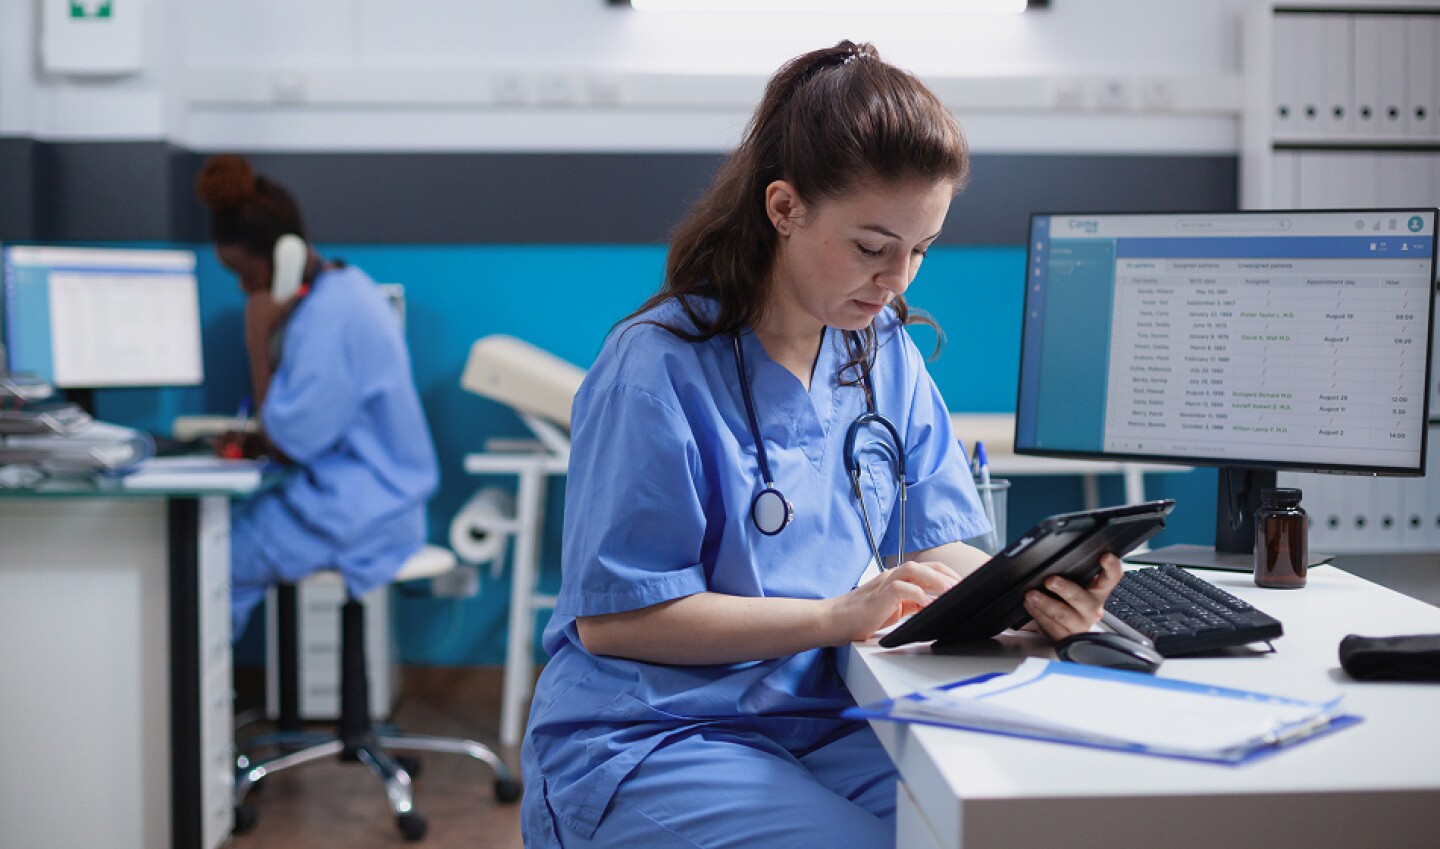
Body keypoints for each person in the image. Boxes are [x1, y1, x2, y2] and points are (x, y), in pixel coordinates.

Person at [521, 41, 1124, 849]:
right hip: (654, 735)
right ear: (783, 208)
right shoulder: (655, 369)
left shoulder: (883, 355)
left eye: (919, 250)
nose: (897, 281)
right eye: (874, 248)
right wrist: (836, 614)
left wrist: (1035, 595)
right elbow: (618, 623)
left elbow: (937, 544)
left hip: (824, 717)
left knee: (1006, 821)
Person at [195, 154, 440, 640]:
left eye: (248, 276)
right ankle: (207, 704)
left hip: (368, 510)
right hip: (365, 497)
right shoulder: (341, 290)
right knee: (216, 544)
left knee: (205, 564)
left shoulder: (331, 316)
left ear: (285, 256)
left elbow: (289, 442)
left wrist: (257, 340)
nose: (246, 291)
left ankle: (186, 708)